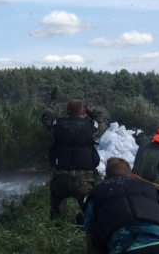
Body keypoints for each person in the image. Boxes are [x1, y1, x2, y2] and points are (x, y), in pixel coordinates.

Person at [82, 157, 159, 254]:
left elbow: (91, 247)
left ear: (105, 178)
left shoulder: (96, 193)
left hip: (126, 249)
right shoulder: (151, 189)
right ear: (132, 176)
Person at [41, 87, 109, 219]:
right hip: (85, 180)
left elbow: (46, 117)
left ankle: (56, 226)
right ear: (82, 112)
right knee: (91, 214)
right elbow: (104, 121)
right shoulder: (91, 127)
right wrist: (88, 109)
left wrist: (52, 101)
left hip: (61, 178)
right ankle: (88, 230)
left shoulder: (57, 125)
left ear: (67, 111)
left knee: (56, 210)